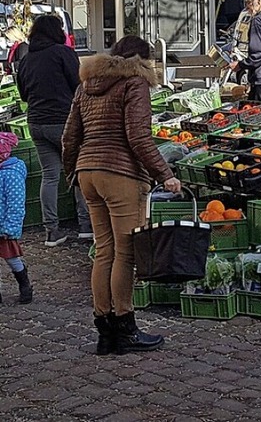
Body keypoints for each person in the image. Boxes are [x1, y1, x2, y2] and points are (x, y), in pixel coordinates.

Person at [62, 35, 181, 355]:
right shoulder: (135, 83)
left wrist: (73, 172)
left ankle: (105, 331)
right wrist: (165, 175)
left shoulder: (86, 84)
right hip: (120, 175)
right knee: (125, 254)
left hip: (89, 173)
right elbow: (138, 137)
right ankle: (126, 329)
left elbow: (70, 136)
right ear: (142, 60)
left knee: (104, 251)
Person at [16, 14, 92, 246]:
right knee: (78, 172)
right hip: (64, 122)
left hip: (36, 123)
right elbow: (79, 86)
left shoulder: (27, 59)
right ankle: (86, 226)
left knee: (49, 176)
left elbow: (23, 94)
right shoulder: (63, 53)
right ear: (56, 31)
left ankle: (52, 231)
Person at [0, 130, 33, 304]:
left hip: (3, 225)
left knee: (12, 258)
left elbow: (16, 204)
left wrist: (10, 227)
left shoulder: (11, 175)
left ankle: (24, 284)